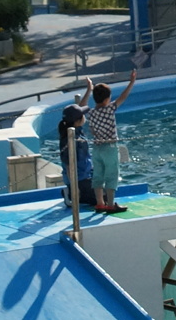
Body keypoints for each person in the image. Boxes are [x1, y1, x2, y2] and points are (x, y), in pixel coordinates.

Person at [85, 70, 136, 213]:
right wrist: (131, 82)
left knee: (98, 175)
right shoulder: (109, 109)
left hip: (97, 148)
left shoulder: (91, 112)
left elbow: (81, 105)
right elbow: (123, 97)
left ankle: (100, 203)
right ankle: (111, 204)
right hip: (110, 147)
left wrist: (89, 89)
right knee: (111, 175)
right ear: (107, 99)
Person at [58, 104, 96, 207]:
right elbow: (68, 164)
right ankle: (71, 193)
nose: (85, 117)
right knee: (99, 199)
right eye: (83, 115)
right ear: (77, 121)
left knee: (103, 190)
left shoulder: (77, 131)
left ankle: (74, 192)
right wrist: (75, 187)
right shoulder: (70, 138)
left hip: (86, 175)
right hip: (79, 179)